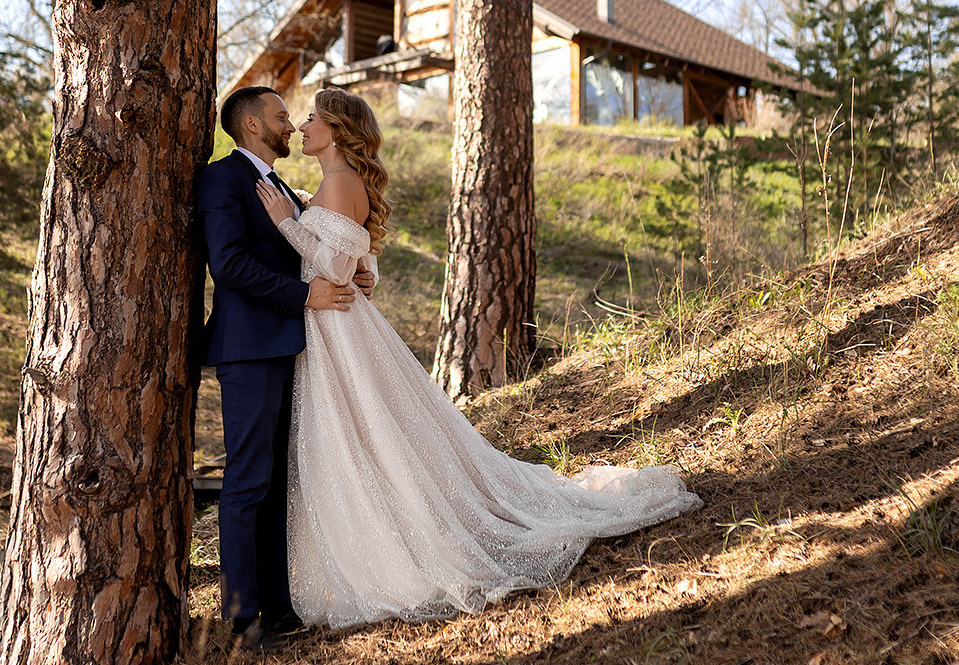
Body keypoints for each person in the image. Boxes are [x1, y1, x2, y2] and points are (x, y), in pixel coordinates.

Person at [256, 87, 701, 630]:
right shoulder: (334, 184)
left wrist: (287, 223)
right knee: (364, 433)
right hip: (333, 325)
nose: (302, 125)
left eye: (311, 117)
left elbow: (340, 267)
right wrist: (313, 222)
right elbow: (361, 258)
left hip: (338, 324)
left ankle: (408, 541)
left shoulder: (342, 181)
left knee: (367, 431)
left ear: (336, 129)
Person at [192, 86, 374, 651]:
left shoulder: (283, 189)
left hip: (291, 347)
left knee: (275, 484)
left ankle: (280, 609)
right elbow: (229, 265)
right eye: (281, 116)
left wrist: (355, 271)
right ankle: (241, 620)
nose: (291, 124)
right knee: (247, 482)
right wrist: (304, 295)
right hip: (249, 349)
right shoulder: (223, 180)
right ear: (251, 125)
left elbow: (319, 248)